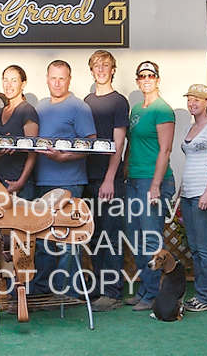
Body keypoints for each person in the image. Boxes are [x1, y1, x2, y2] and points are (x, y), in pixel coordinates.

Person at [32, 60, 96, 298]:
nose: (57, 83)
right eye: (53, 78)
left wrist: (64, 157)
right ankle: (42, 291)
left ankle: (65, 292)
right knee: (42, 240)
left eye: (62, 78)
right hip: (42, 182)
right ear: (47, 79)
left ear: (69, 80)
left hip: (70, 182)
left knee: (67, 239)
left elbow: (90, 144)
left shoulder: (79, 107)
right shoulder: (40, 107)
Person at [124, 61, 175, 311]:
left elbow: (165, 150)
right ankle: (144, 289)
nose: (146, 79)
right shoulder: (136, 109)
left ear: (157, 79)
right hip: (134, 180)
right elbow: (131, 145)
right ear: (137, 80)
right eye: (142, 76)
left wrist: (156, 185)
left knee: (151, 239)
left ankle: (153, 294)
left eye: (150, 75)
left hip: (152, 181)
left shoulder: (163, 110)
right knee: (136, 238)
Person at [83, 50, 129, 312]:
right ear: (91, 70)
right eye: (96, 65)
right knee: (93, 236)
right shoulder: (86, 101)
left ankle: (112, 293)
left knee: (110, 236)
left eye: (106, 65)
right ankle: (98, 288)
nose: (101, 69)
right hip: (87, 178)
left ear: (113, 70)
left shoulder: (119, 102)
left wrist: (110, 178)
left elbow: (118, 143)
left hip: (109, 180)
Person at [180, 84, 207, 312]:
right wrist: (181, 191)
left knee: (205, 247)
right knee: (195, 248)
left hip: (204, 195)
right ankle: (201, 294)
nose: (192, 103)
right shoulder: (192, 128)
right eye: (190, 99)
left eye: (197, 99)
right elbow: (191, 163)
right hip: (188, 194)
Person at [0, 65, 38, 200]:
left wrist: (20, 182)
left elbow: (33, 152)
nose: (8, 85)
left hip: (21, 184)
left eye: (14, 80)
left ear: (23, 84)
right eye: (5, 80)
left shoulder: (27, 111)